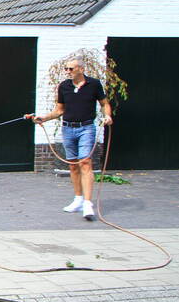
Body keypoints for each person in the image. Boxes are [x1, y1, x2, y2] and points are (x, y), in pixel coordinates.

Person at [24, 58, 113, 221]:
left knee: (85, 163)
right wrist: (43, 118)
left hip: (86, 128)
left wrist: (107, 115)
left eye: (70, 69)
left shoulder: (94, 84)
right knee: (73, 166)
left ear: (81, 69)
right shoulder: (64, 86)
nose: (67, 71)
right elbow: (59, 110)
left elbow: (104, 103)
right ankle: (78, 199)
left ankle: (87, 203)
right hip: (67, 128)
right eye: (66, 69)